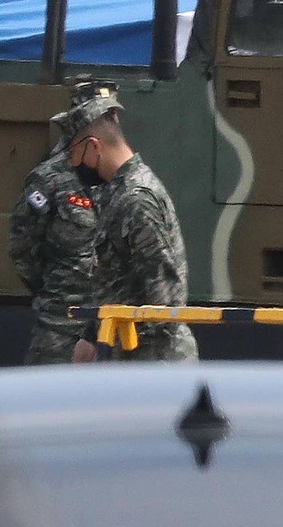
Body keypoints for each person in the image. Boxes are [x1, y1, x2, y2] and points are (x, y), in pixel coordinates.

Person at [67, 80, 198, 362]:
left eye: (73, 154)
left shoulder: (137, 199)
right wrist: (91, 336)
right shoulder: (117, 194)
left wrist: (146, 372)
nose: (72, 163)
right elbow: (120, 281)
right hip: (132, 355)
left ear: (93, 147)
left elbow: (165, 302)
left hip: (155, 361)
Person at [9, 111, 98, 364]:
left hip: (111, 323)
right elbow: (22, 245)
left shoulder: (117, 177)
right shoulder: (50, 178)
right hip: (61, 322)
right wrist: (49, 291)